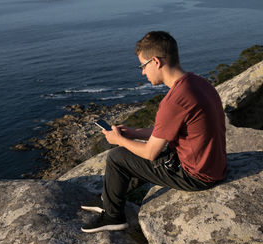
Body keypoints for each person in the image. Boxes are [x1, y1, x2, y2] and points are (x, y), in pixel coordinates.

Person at [80, 31, 227, 233]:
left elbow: (150, 153)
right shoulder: (197, 82)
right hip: (212, 165)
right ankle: (109, 196)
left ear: (156, 61)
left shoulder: (175, 100)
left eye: (143, 66)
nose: (142, 72)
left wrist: (119, 140)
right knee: (132, 154)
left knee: (117, 156)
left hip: (196, 175)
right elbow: (166, 131)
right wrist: (134, 132)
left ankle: (113, 216)